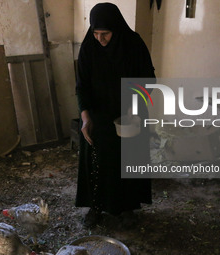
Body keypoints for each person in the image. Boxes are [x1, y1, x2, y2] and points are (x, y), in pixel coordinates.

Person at [75, 2, 155, 228]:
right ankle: (95, 207)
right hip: (98, 112)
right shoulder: (89, 46)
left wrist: (134, 106)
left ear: (116, 29)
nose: (100, 39)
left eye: (105, 34)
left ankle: (128, 207)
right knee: (97, 158)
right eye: (96, 33)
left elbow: (148, 79)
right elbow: (81, 85)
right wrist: (85, 117)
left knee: (129, 158)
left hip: (131, 111)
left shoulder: (133, 44)